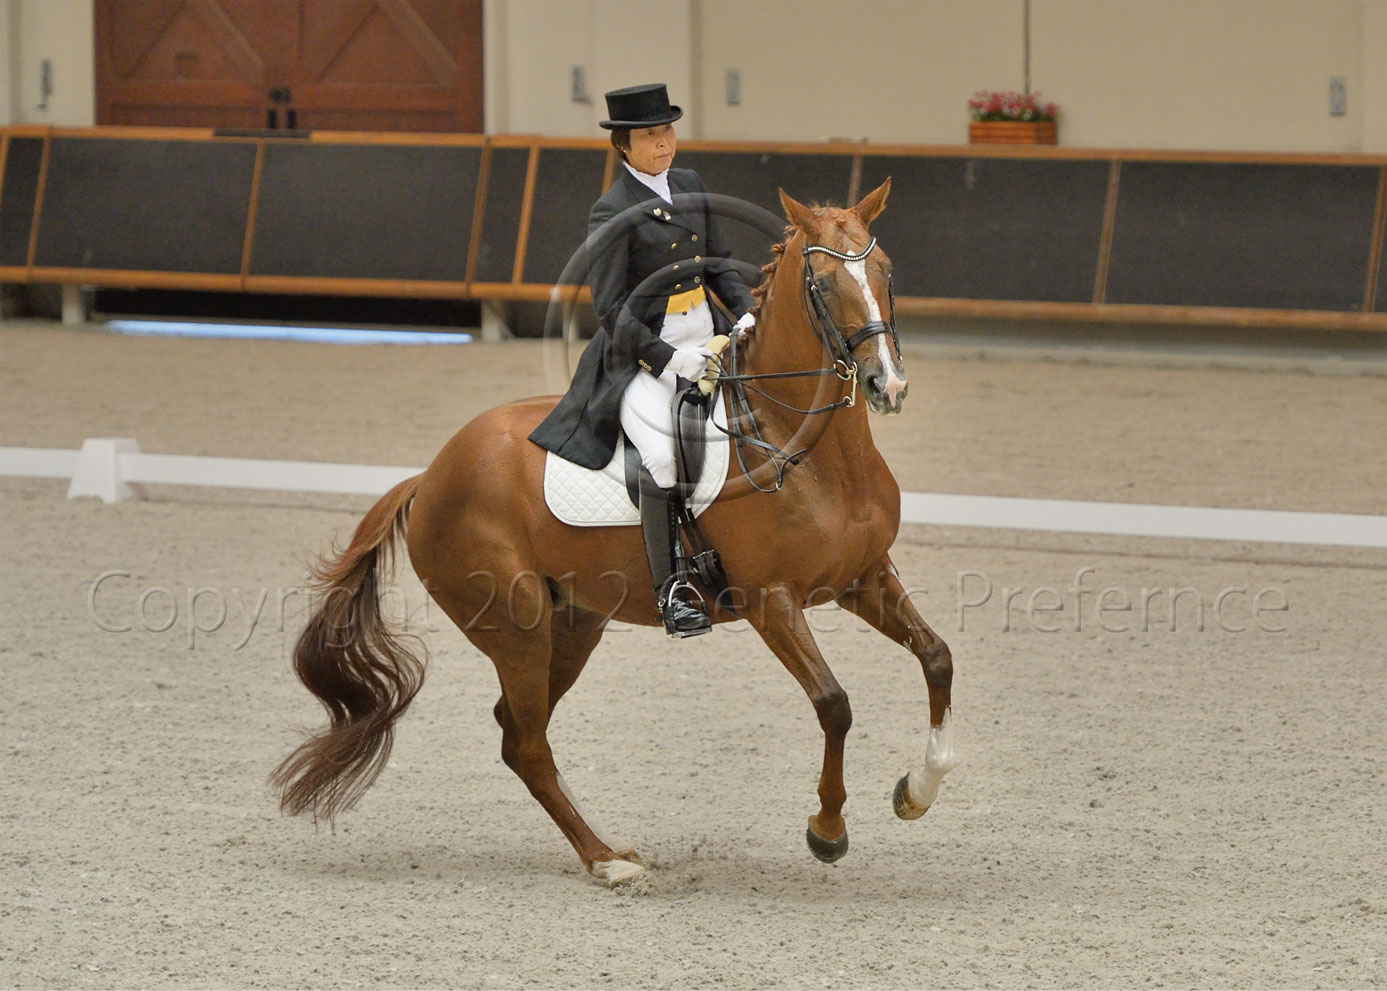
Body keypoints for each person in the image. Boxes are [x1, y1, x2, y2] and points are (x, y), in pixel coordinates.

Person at [529, 83, 757, 638]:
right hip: (643, 357)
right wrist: (670, 360)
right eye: (651, 136)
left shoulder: (691, 184)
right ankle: (673, 588)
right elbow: (609, 309)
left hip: (712, 335)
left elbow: (719, 262)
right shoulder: (612, 209)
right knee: (661, 456)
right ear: (624, 147)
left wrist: (749, 311)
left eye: (668, 131)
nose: (664, 143)